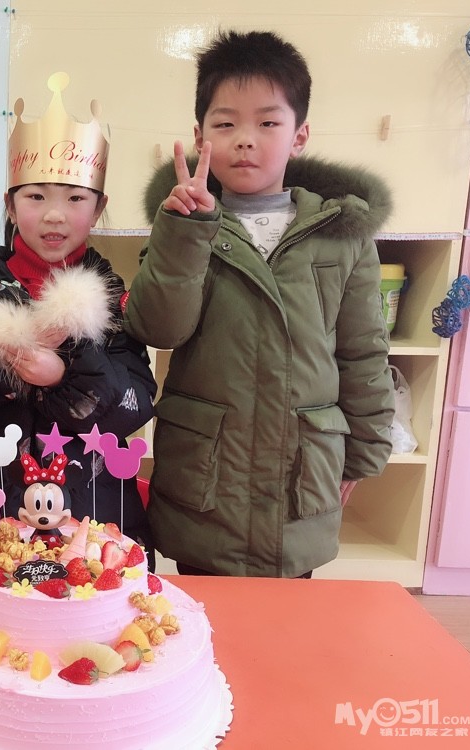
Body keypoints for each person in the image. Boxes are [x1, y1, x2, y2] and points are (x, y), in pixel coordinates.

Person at [123, 30, 395, 578]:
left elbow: (363, 352)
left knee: (285, 620)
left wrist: (365, 452)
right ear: (200, 136)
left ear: (299, 135)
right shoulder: (183, 224)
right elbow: (159, 328)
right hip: (207, 479)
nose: (245, 140)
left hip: (301, 473)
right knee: (199, 617)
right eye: (225, 124)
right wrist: (185, 230)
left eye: (268, 123)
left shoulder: (340, 234)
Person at [0, 73, 157, 568]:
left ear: (99, 208)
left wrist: (65, 376)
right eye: (36, 197)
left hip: (87, 506)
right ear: (10, 206)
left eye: (75, 198)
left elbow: (135, 401)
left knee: (85, 601)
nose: (55, 215)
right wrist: (6, 359)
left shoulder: (111, 295)